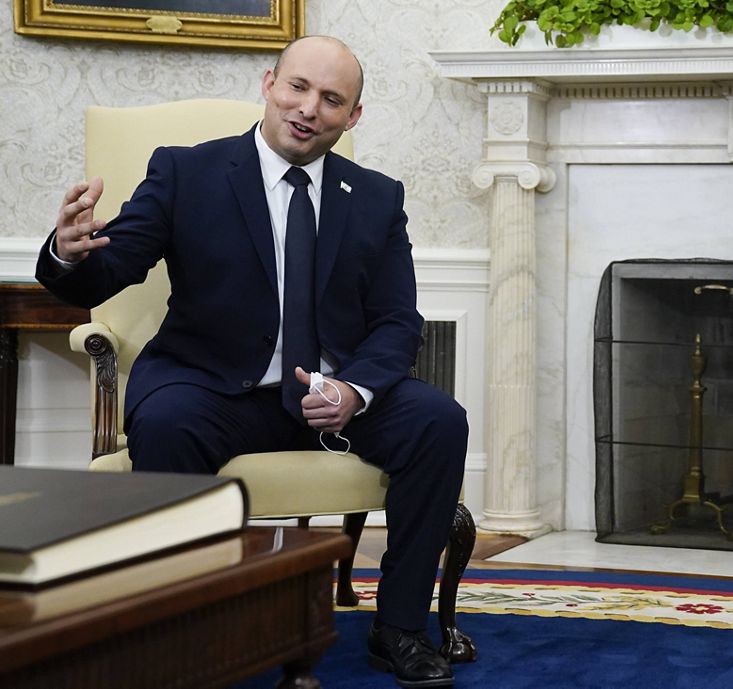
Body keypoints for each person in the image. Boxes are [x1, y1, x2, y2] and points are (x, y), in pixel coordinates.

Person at [37, 36, 466, 689]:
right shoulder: (187, 171)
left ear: (352, 117)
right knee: (168, 421)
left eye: (331, 99)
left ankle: (400, 627)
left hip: (329, 398)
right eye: (297, 87)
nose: (308, 108)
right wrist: (71, 252)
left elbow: (396, 321)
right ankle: (183, 628)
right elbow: (112, 265)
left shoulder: (375, 197)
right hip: (215, 389)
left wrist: (354, 389)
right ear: (269, 83)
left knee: (439, 420)